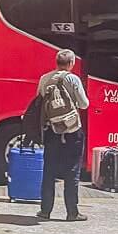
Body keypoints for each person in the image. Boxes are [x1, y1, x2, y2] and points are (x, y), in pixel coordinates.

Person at [37, 49, 90, 222]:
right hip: (72, 131)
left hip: (52, 130)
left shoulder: (44, 79)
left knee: (49, 171)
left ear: (56, 62)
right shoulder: (73, 79)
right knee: (72, 171)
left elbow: (39, 102)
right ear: (71, 63)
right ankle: (72, 212)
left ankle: (45, 210)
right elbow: (84, 104)